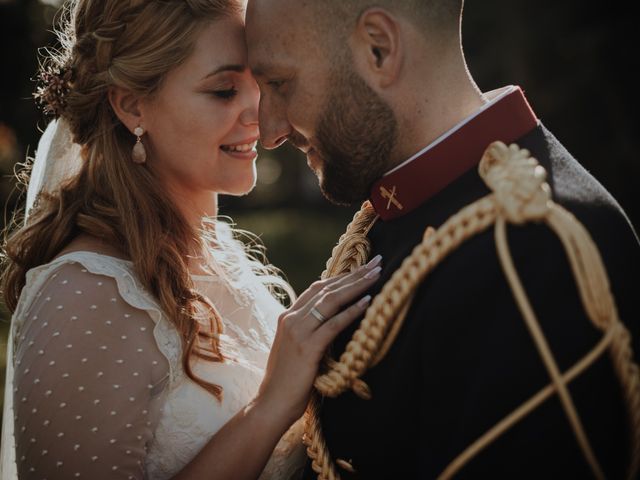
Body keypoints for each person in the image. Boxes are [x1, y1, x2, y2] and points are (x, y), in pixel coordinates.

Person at [245, 0, 640, 478]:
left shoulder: (536, 251)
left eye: (280, 84)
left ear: (379, 49)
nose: (268, 130)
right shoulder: (397, 208)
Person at [0, 0, 384, 478]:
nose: (262, 118)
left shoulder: (222, 251)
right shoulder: (84, 295)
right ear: (132, 104)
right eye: (224, 91)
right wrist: (268, 408)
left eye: (262, 84)